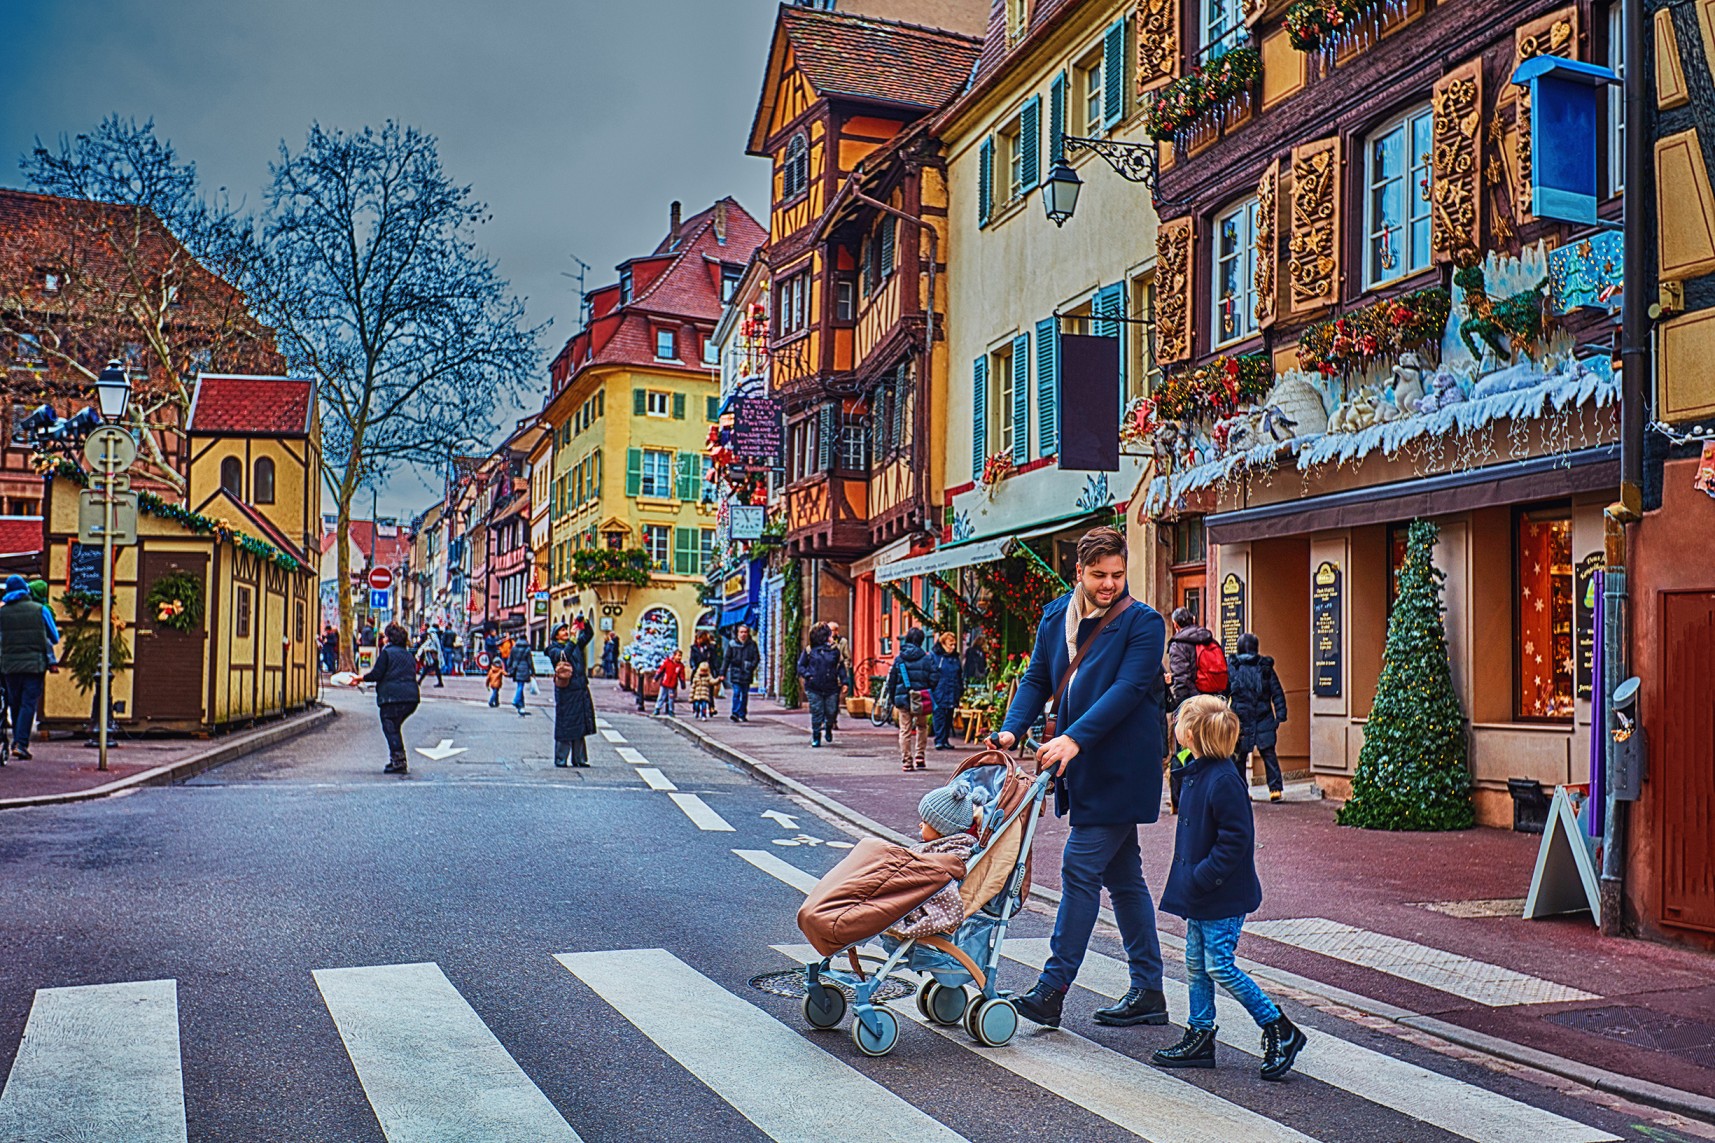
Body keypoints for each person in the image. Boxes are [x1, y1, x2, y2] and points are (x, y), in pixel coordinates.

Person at [992, 526, 1169, 1030]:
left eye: (1117, 574)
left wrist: (1074, 738)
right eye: (1099, 575)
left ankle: (1052, 987)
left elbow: (1129, 688)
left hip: (1119, 769)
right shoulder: (1055, 616)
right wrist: (1011, 729)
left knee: (1080, 869)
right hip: (1080, 769)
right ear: (1079, 572)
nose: (1110, 583)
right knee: (1124, 877)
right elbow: (1036, 680)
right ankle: (1149, 990)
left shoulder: (1143, 623)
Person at [1152, 696, 1306, 1080]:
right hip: (1202, 892)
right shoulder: (1197, 772)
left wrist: (1202, 877)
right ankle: (1200, 1034)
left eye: (1180, 723)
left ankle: (1279, 1028)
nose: (1175, 727)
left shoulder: (1222, 780)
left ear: (1192, 733)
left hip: (1220, 892)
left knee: (1219, 965)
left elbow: (1236, 840)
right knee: (1195, 965)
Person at [893, 782, 989, 940]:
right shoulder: (940, 846)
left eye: (925, 822)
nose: (920, 824)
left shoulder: (954, 851)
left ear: (940, 830)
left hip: (917, 900)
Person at [0, 573, 57, 761]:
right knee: (28, 704)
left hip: (9, 665)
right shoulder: (40, 609)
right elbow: (54, 636)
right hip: (35, 664)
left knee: (14, 703)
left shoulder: (2, 613)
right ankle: (21, 744)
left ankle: (17, 740)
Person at [1227, 632, 1289, 801]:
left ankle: (1242, 791)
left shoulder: (1232, 667)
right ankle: (1275, 790)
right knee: (1268, 753)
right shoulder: (1265, 667)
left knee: (1238, 757)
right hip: (1264, 716)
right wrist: (1280, 715)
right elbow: (1277, 692)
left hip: (1240, 717)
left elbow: (1224, 692)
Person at [361, 623, 420, 775]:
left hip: (392, 697)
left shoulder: (387, 653)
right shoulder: (408, 655)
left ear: (389, 638)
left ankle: (399, 761)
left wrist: (360, 678)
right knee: (394, 726)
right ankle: (398, 758)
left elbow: (377, 674)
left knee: (390, 726)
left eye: (386, 636)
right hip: (411, 698)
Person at [887, 627, 938, 773]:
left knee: (905, 730)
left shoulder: (900, 659)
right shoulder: (927, 659)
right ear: (921, 641)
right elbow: (934, 677)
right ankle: (920, 756)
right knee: (922, 727)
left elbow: (892, 681)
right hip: (921, 698)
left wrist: (893, 698)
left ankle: (907, 761)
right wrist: (927, 689)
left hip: (903, 698)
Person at [547, 620, 596, 767]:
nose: (566, 632)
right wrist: (573, 641)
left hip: (580, 690)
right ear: (555, 635)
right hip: (566, 692)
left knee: (579, 725)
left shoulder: (574, 645)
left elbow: (588, 635)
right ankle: (561, 759)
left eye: (566, 629)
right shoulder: (553, 649)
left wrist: (584, 623)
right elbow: (564, 656)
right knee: (565, 725)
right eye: (562, 630)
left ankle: (579, 759)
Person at [1167, 606, 1223, 710]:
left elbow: (1182, 679)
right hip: (1214, 701)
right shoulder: (1210, 640)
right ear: (1193, 620)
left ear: (1175, 625)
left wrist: (1181, 709)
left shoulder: (1178, 645)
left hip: (1193, 703)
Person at [797, 623, 843, 747]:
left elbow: (840, 667)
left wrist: (844, 681)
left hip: (831, 687)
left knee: (831, 711)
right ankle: (816, 735)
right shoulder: (809, 650)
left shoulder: (834, 650)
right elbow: (801, 666)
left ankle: (828, 727)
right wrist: (808, 675)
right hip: (814, 687)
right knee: (817, 712)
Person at [930, 630, 964, 751]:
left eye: (954, 644)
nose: (953, 647)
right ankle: (939, 740)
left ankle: (945, 740)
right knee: (939, 715)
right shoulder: (935, 656)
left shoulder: (955, 658)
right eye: (950, 644)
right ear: (943, 644)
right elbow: (932, 673)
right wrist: (934, 687)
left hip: (952, 689)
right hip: (940, 689)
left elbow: (959, 674)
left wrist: (960, 689)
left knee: (949, 715)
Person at [722, 624, 760, 723]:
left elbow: (756, 658)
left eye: (745, 632)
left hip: (746, 673)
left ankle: (742, 713)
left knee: (744, 695)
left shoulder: (752, 645)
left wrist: (751, 666)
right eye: (741, 632)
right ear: (738, 633)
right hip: (736, 672)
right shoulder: (732, 644)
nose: (743, 634)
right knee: (736, 693)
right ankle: (735, 713)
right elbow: (727, 659)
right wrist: (723, 672)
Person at [826, 620, 852, 732]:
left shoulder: (843, 642)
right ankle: (825, 721)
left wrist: (844, 667)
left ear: (837, 631)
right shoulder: (823, 641)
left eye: (832, 630)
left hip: (837, 675)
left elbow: (847, 657)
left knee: (834, 700)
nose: (830, 633)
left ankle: (833, 721)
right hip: (825, 675)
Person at [506, 637, 534, 715]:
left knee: (520, 684)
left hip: (516, 668)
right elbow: (530, 661)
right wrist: (533, 671)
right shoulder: (527, 649)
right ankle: (516, 700)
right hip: (524, 668)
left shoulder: (514, 648)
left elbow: (510, 659)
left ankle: (521, 705)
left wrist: (509, 668)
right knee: (521, 686)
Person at [654, 648, 685, 716]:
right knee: (661, 696)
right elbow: (661, 670)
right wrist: (656, 678)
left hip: (672, 685)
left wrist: (683, 683)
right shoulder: (667, 662)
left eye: (680, 656)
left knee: (671, 698)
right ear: (674, 655)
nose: (679, 658)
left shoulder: (680, 666)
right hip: (665, 683)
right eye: (678, 655)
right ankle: (657, 709)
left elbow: (681, 675)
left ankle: (671, 710)